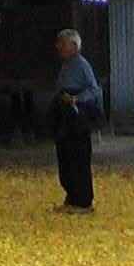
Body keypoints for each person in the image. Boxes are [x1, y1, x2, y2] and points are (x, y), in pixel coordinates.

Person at [50, 27, 102, 212]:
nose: (58, 47)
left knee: (78, 157)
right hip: (64, 115)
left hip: (77, 116)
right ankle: (71, 197)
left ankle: (83, 200)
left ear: (73, 46)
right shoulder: (66, 65)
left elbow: (94, 90)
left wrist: (76, 99)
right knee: (65, 157)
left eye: (62, 44)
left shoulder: (81, 65)